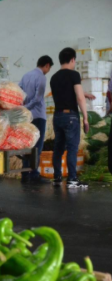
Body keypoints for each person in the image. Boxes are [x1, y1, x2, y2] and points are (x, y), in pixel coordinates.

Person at [50, 48, 96, 189]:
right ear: (73, 59)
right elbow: (79, 98)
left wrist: (84, 93)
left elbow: (66, 93)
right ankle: (72, 179)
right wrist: (86, 118)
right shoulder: (74, 75)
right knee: (72, 148)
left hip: (57, 116)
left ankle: (57, 177)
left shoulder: (54, 77)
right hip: (71, 116)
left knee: (58, 148)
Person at [19, 55, 54, 184]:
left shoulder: (26, 75)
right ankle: (34, 174)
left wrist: (22, 109)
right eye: (48, 68)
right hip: (38, 116)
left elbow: (19, 92)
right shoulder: (41, 77)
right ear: (46, 65)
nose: (48, 70)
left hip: (26, 118)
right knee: (37, 147)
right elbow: (38, 99)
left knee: (26, 144)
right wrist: (27, 108)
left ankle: (24, 174)